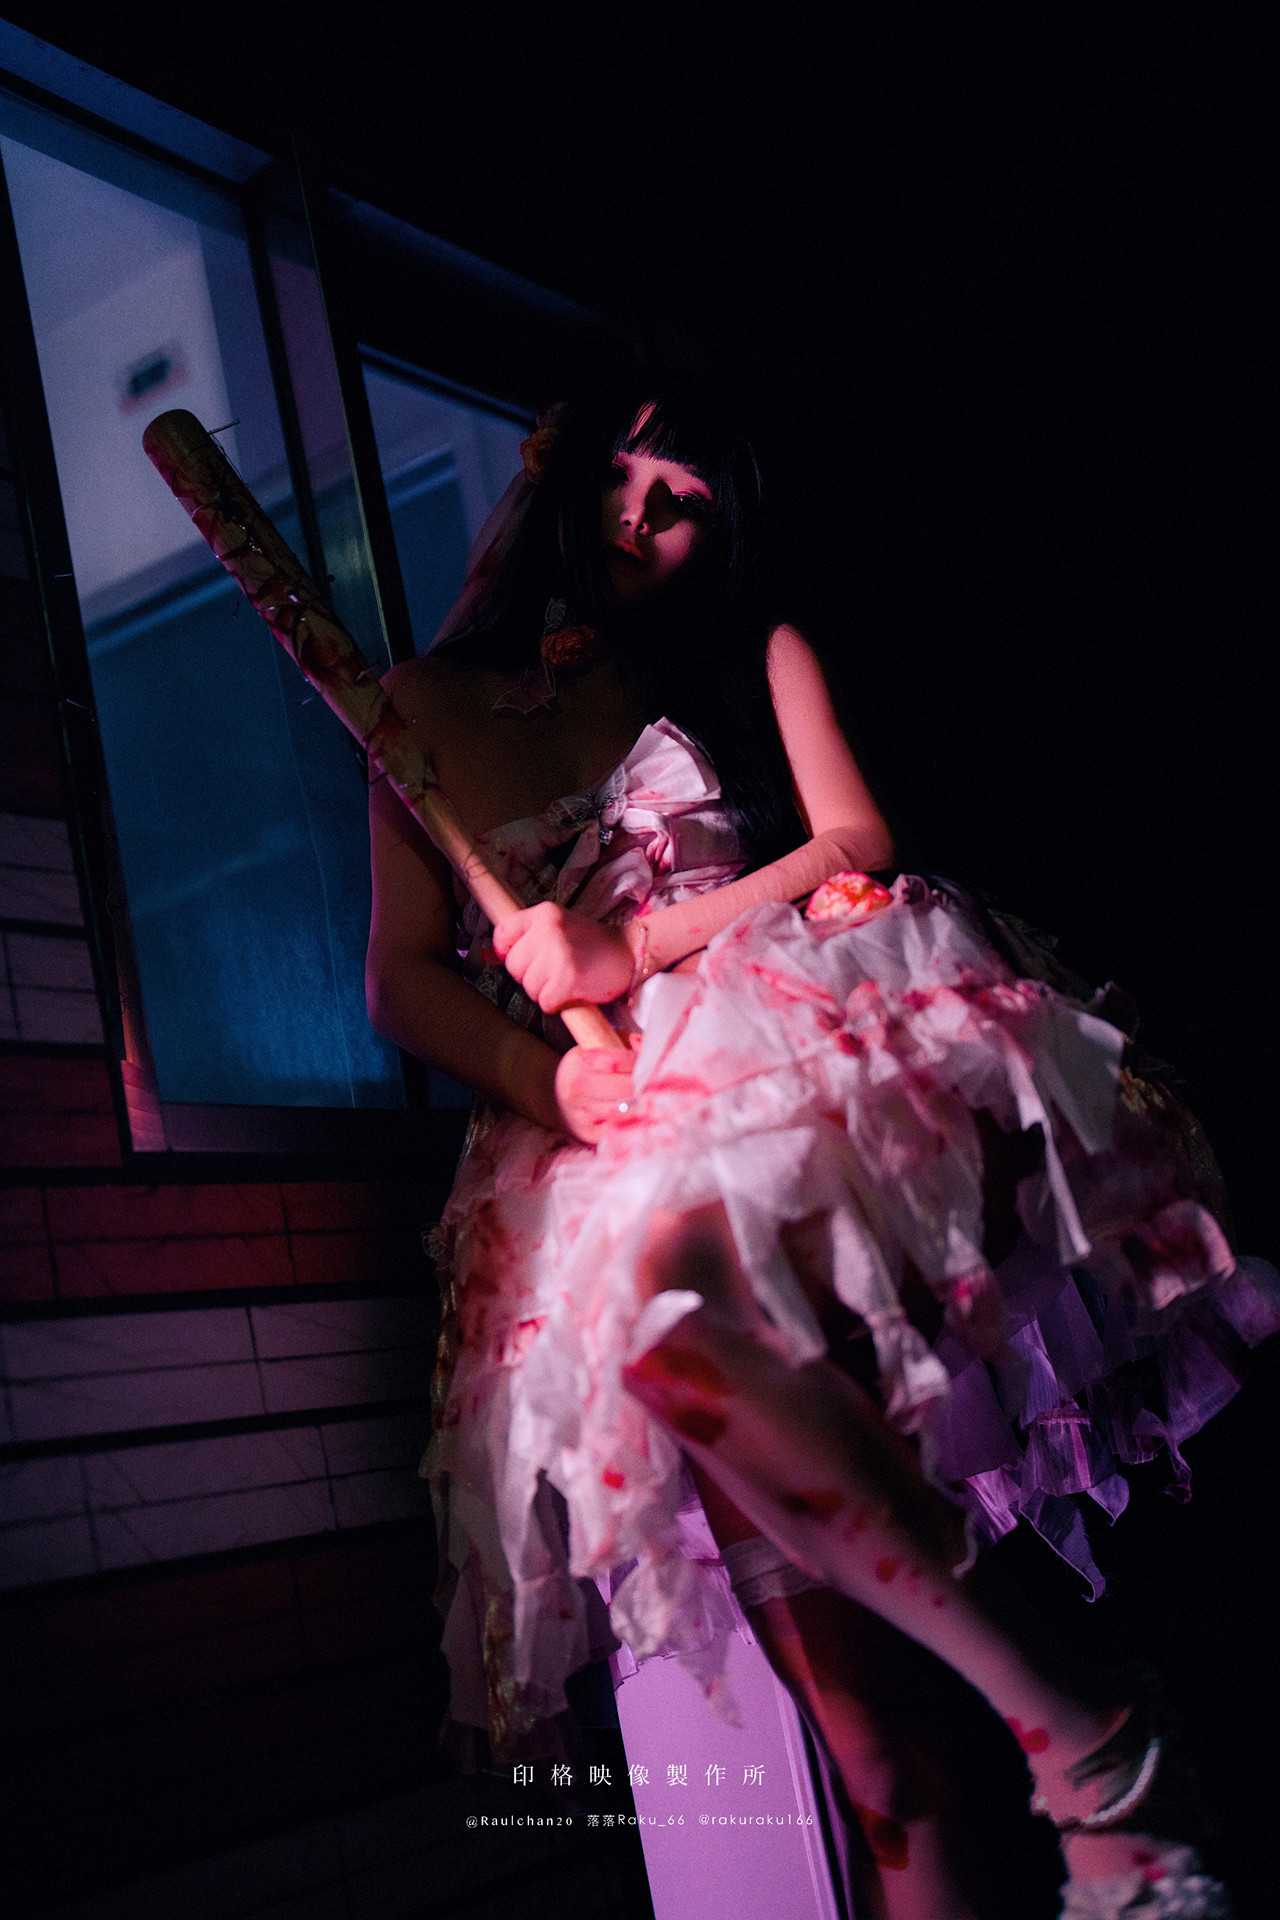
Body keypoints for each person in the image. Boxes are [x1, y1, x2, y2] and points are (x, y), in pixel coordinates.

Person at [365, 368, 1277, 1919]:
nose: (637, 516)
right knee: (873, 1755)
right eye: (619, 476)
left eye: (681, 502)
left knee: (687, 1313)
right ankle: (1100, 1758)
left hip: (788, 1093)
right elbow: (397, 981)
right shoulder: (415, 710)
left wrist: (630, 948)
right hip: (599, 1128)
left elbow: (856, 839)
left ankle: (1085, 1730)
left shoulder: (745, 654)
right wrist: (547, 1081)